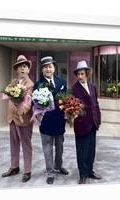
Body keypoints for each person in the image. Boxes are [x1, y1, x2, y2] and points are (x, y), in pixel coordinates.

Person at [34, 56, 68, 185]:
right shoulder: (38, 84)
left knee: (59, 148)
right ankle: (50, 172)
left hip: (59, 121)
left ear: (54, 68)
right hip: (46, 121)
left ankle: (58, 166)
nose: (48, 69)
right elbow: (35, 104)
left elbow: (65, 100)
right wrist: (38, 116)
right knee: (47, 148)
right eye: (45, 67)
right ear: (42, 70)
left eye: (50, 66)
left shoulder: (61, 82)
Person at [2, 55, 34, 182]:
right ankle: (14, 167)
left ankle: (27, 171)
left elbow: (28, 101)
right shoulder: (14, 82)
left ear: (28, 69)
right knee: (13, 144)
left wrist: (23, 110)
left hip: (23, 119)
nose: (22, 68)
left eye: (24, 66)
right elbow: (7, 93)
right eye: (20, 66)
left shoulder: (30, 84)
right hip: (12, 118)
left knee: (26, 145)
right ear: (17, 69)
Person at [72, 60, 102, 184]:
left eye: (82, 74)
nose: (80, 76)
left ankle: (89, 171)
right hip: (82, 124)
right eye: (78, 74)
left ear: (87, 74)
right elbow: (72, 106)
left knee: (91, 150)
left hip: (93, 123)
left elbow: (96, 103)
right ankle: (82, 174)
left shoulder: (93, 86)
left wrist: (98, 118)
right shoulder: (75, 88)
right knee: (82, 151)